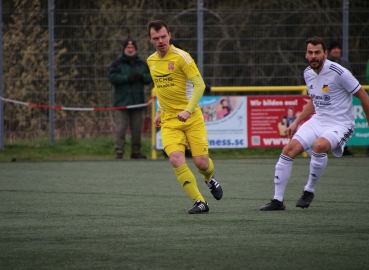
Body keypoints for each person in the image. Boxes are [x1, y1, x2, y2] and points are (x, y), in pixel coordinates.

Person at [260, 36, 369, 211]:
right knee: (288, 150)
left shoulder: (339, 72)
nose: (314, 56)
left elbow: (363, 96)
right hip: (319, 119)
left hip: (340, 123)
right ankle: (277, 200)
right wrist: (296, 121)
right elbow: (314, 99)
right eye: (310, 53)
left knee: (319, 146)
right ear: (306, 55)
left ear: (325, 54)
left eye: (317, 52)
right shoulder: (307, 73)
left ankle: (308, 191)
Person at [146, 20, 223, 214]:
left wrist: (188, 110)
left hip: (192, 118)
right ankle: (200, 201)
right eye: (156, 38)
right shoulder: (151, 61)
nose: (161, 40)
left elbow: (200, 85)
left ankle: (209, 179)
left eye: (163, 36)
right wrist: (158, 111)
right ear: (150, 40)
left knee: (202, 164)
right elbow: (161, 90)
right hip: (169, 121)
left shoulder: (182, 57)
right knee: (175, 159)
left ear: (169, 35)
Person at [108, 38, 152, 159]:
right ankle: (119, 151)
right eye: (128, 48)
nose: (130, 49)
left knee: (137, 129)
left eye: (132, 48)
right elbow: (112, 77)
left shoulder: (142, 64)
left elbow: (151, 78)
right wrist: (127, 78)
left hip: (137, 101)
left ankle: (135, 151)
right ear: (124, 49)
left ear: (136, 49)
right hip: (122, 102)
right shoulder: (117, 63)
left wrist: (141, 76)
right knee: (121, 128)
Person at [327, 40, 354, 156]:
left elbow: (351, 79)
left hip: (344, 98)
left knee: (344, 123)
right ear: (329, 51)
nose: (336, 50)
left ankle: (344, 147)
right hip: (330, 99)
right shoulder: (326, 63)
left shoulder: (344, 63)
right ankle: (327, 146)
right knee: (329, 123)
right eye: (334, 48)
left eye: (338, 48)